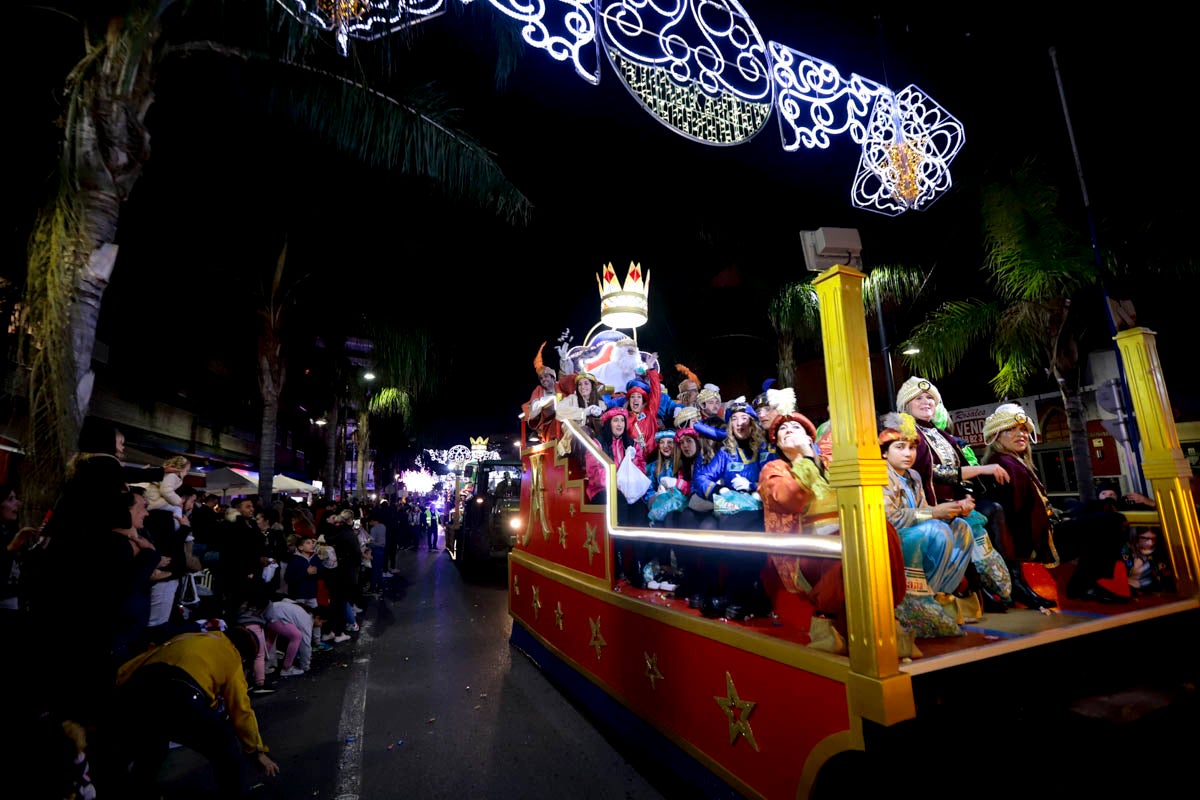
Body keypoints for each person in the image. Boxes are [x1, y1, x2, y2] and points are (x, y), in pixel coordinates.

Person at [759, 412, 907, 653]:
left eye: (795, 427)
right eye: (783, 429)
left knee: (883, 530)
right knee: (848, 544)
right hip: (808, 549)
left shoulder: (831, 465)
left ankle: (886, 617)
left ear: (809, 437)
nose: (788, 430)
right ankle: (827, 619)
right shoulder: (774, 469)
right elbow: (786, 498)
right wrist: (806, 459)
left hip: (848, 534)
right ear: (776, 442)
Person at [896, 376, 1029, 610]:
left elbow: (961, 466)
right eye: (918, 398)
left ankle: (1002, 587)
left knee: (992, 513)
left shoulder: (941, 434)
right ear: (905, 405)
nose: (926, 401)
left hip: (955, 502)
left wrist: (968, 491)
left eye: (930, 397)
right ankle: (979, 591)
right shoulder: (906, 434)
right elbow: (934, 473)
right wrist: (983, 468)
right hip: (926, 508)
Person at [982, 403, 1129, 604]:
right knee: (1113, 522)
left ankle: (1086, 583)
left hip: (1048, 530)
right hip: (1039, 540)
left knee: (1102, 512)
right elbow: (1015, 514)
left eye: (1024, 429)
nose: (1021, 434)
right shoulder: (1004, 465)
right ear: (996, 436)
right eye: (1010, 430)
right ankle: (1082, 585)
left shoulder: (1015, 461)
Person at [109, 628, 280, 798]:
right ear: (243, 656)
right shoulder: (231, 656)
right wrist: (257, 750)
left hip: (136, 688)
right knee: (225, 746)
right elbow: (241, 709)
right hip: (181, 696)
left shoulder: (187, 637)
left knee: (152, 743)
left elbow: (136, 663)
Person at [879, 411, 977, 639]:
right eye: (900, 447)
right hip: (893, 541)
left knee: (962, 529)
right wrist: (934, 513)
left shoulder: (913, 475)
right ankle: (913, 600)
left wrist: (953, 510)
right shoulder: (881, 475)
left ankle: (934, 594)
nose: (908, 453)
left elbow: (924, 511)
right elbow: (890, 518)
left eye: (912, 448)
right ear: (885, 452)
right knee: (937, 530)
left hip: (919, 533)